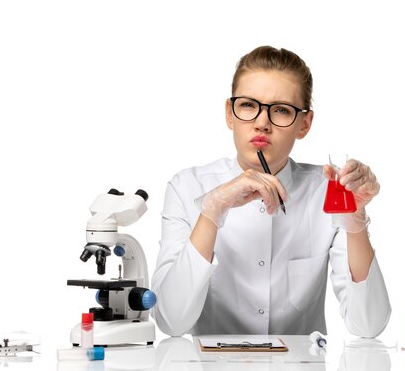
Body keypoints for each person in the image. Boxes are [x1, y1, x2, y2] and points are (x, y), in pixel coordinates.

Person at [151, 46, 391, 337]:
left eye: (280, 110)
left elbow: (369, 325)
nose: (262, 123)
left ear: (304, 123)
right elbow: (171, 322)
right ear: (230, 113)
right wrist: (212, 209)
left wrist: (355, 222)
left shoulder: (327, 191)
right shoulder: (188, 188)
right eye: (249, 105)